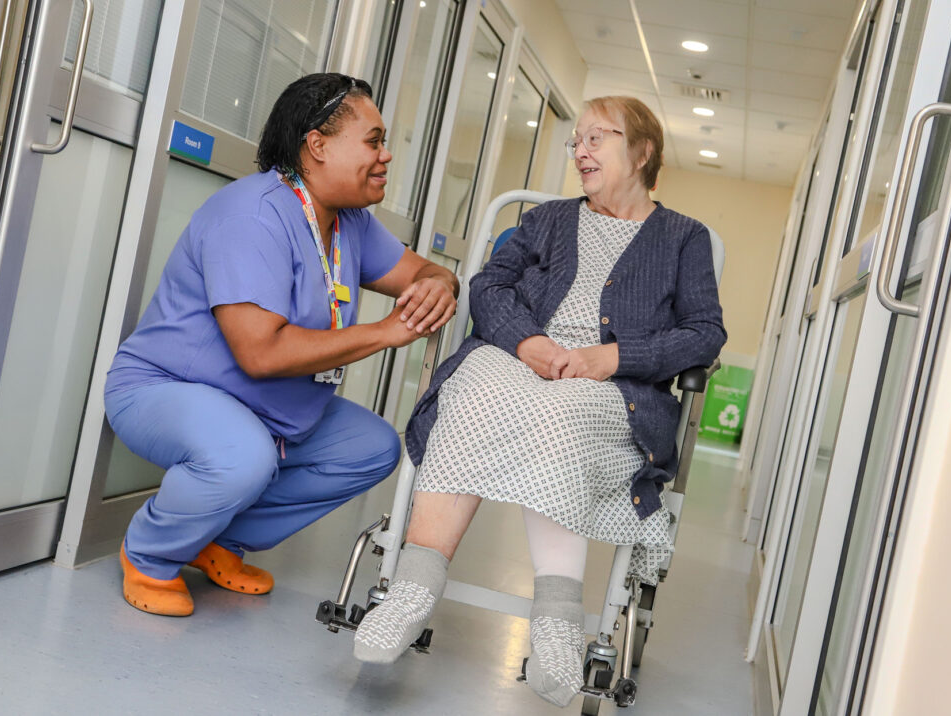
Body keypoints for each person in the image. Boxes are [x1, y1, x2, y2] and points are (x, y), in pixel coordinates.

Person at [353, 96, 726, 707]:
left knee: (565, 411)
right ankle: (410, 594)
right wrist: (527, 342)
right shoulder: (548, 219)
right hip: (517, 360)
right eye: (575, 140)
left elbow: (704, 332)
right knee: (471, 392)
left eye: (596, 139)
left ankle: (555, 625)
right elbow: (489, 286)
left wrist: (613, 357)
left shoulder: (684, 239)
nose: (580, 151)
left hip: (609, 389)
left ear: (642, 151)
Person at [104, 73, 458, 617]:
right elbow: (260, 353)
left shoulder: (349, 223)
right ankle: (150, 554)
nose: (386, 156)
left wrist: (439, 283)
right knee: (240, 455)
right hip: (166, 389)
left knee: (373, 448)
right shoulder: (254, 213)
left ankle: (217, 541)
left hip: (266, 406)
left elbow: (425, 271)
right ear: (317, 144)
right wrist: (384, 334)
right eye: (373, 141)